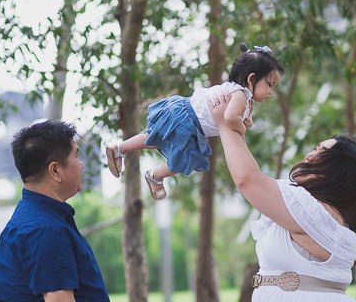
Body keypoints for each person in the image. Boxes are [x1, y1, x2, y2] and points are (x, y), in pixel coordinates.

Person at [209, 92, 356, 302]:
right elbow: (254, 175)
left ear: (336, 170)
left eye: (320, 151)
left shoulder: (315, 213)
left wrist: (225, 126)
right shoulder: (309, 209)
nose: (309, 154)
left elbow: (248, 179)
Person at [0, 120, 140, 302]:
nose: (81, 164)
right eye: (75, 156)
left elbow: (77, 295)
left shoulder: (46, 219)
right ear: (55, 170)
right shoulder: (42, 229)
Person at [105, 43, 283, 200]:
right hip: (191, 125)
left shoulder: (239, 94)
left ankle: (119, 148)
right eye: (270, 84)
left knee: (153, 137)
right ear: (251, 79)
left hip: (182, 108)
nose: (271, 92)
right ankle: (155, 175)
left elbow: (240, 118)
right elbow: (229, 118)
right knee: (186, 161)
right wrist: (242, 129)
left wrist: (246, 121)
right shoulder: (241, 95)